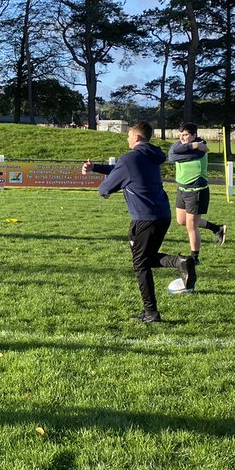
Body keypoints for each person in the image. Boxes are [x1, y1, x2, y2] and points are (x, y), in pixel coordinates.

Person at [82, 121, 195, 323]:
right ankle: (180, 263)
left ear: (136, 137)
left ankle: (151, 313)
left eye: (128, 136)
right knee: (146, 259)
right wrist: (96, 168)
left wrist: (106, 189)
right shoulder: (150, 155)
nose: (127, 139)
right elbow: (122, 170)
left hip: (144, 219)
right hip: (162, 215)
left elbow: (106, 188)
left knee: (140, 265)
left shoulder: (130, 158)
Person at [167, 122, 227, 265]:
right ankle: (217, 228)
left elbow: (173, 156)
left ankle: (195, 258)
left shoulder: (201, 148)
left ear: (194, 135)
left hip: (196, 191)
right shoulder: (190, 146)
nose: (182, 137)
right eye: (180, 134)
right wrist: (190, 145)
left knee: (191, 226)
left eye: (186, 135)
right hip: (182, 189)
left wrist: (188, 148)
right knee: (182, 221)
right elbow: (171, 155)